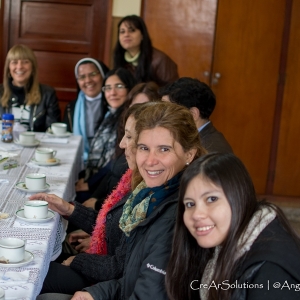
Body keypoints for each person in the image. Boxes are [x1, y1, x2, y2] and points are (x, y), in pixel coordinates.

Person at [36, 101, 206, 300]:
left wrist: (81, 267)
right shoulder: (148, 192)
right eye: (144, 148)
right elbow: (131, 273)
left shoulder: (174, 215)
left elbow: (137, 283)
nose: (150, 160)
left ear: (189, 154)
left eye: (164, 149)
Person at [166, 152, 300, 300]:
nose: (197, 214)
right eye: (190, 204)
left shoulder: (271, 272)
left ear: (239, 197)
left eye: (211, 199)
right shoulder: (216, 246)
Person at [76, 81, 160, 205]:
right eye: (135, 107)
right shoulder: (124, 131)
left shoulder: (146, 152)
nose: (138, 113)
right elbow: (111, 170)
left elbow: (128, 198)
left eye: (144, 107)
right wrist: (94, 199)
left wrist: (96, 203)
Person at [77, 68, 136, 186]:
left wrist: (90, 184)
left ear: (129, 89)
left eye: (119, 86)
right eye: (108, 88)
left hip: (107, 185)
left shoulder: (129, 120)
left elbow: (116, 163)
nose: (112, 92)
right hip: (94, 178)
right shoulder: (109, 114)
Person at [159, 77, 233, 153]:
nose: (161, 112)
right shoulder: (193, 138)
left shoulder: (208, 151)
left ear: (192, 114)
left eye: (167, 108)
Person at [0, 44, 61, 132]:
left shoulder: (47, 94)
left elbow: (53, 131)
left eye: (25, 62)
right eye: (14, 62)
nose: (20, 66)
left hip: (38, 145)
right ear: (8, 68)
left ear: (33, 67)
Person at [63, 58, 109, 161]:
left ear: (103, 75)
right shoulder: (71, 107)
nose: (88, 80)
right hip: (77, 160)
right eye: (82, 77)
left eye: (93, 74)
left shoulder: (112, 104)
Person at [113, 15, 178, 87]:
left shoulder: (160, 59)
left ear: (142, 35)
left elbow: (172, 91)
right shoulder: (119, 58)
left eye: (132, 30)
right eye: (122, 32)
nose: (126, 34)